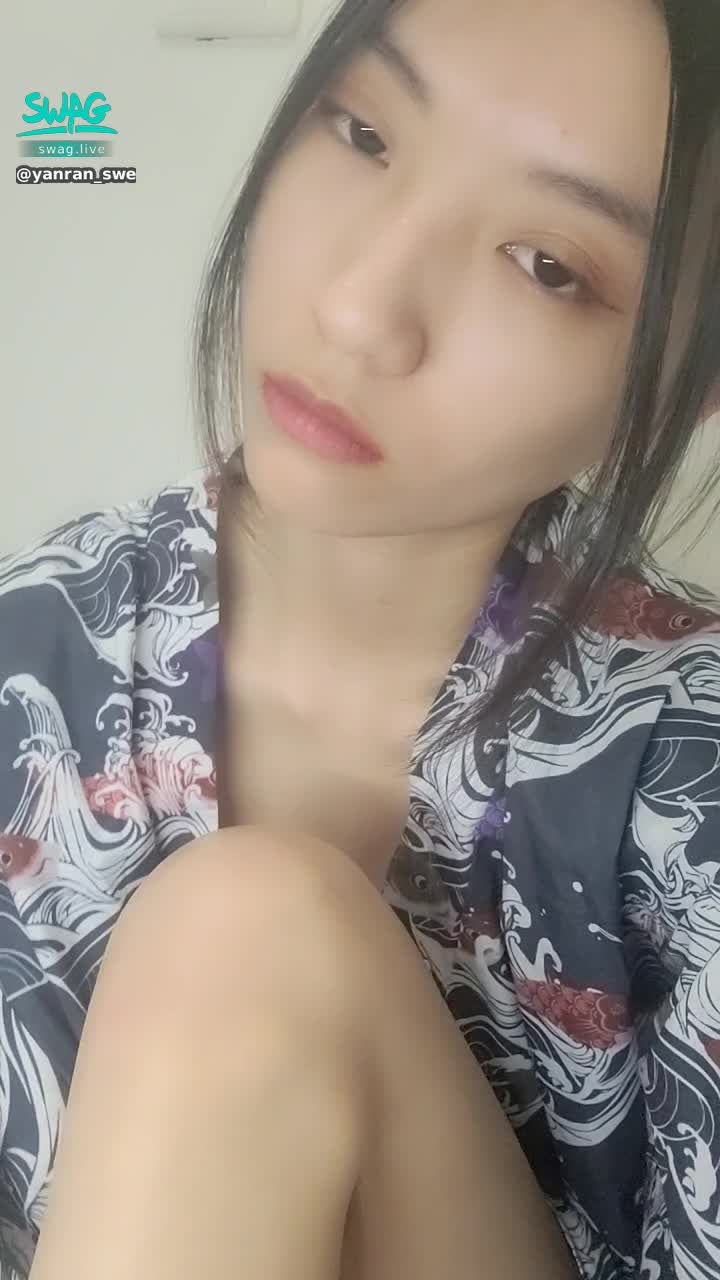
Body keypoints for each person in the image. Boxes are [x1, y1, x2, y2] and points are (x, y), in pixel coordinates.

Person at [2, 0, 720, 1275]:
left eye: (547, 264)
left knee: (244, 934)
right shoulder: (34, 660)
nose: (359, 309)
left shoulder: (685, 772)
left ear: (690, 382)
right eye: (364, 135)